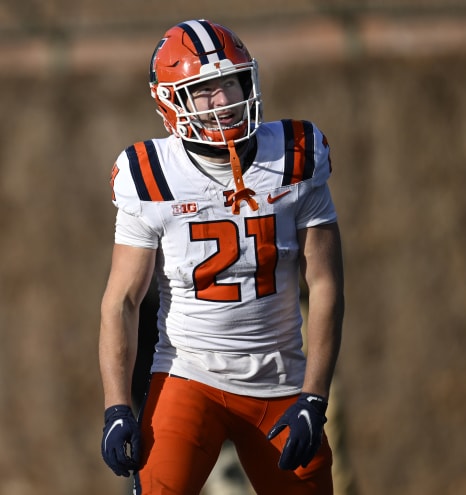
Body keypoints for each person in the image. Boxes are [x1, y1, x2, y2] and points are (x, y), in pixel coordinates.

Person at [98, 19, 344, 495]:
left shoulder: (296, 155)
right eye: (204, 90)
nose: (224, 100)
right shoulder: (149, 174)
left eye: (230, 83)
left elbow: (327, 282)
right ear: (172, 103)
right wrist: (115, 406)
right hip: (187, 375)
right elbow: (122, 300)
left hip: (280, 378)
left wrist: (315, 395)